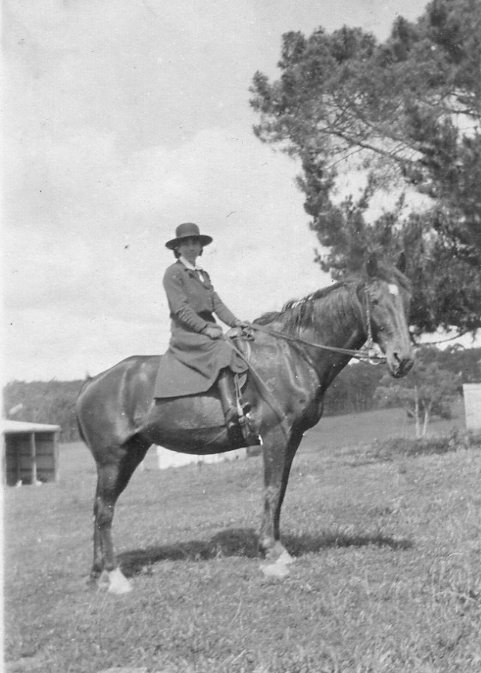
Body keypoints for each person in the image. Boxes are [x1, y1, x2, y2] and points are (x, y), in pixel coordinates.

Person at [154, 222, 253, 440]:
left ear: (200, 247)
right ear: (177, 248)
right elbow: (180, 309)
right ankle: (231, 411)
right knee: (224, 351)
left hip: (209, 330)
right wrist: (205, 327)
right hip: (187, 333)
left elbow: (216, 303)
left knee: (241, 345)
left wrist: (236, 322)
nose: (191, 247)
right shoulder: (173, 273)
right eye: (186, 243)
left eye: (195, 242)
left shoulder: (203, 275)